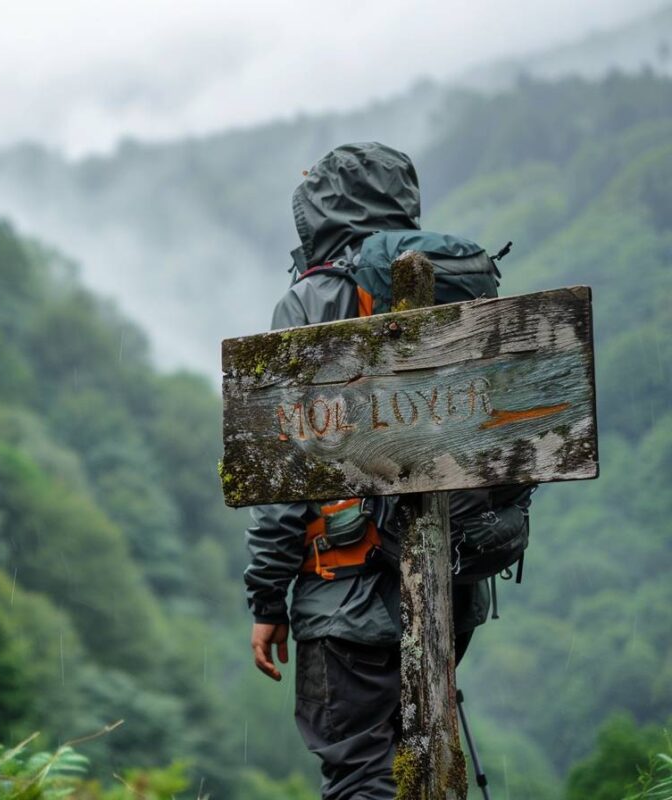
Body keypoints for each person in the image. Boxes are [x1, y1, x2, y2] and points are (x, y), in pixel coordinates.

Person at [244, 142, 526, 799]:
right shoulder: (449, 286)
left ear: (319, 209)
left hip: (348, 592)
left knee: (362, 773)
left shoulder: (313, 299)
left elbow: (286, 473)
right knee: (421, 756)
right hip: (453, 588)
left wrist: (266, 600)